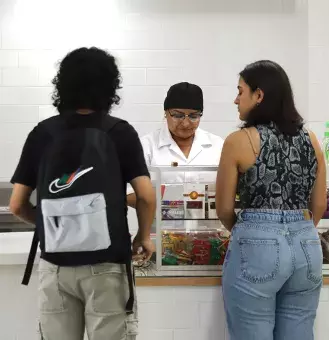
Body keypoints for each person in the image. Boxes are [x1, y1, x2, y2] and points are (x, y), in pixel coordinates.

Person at [9, 47, 156, 340]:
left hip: (56, 267)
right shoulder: (120, 132)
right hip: (108, 265)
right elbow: (146, 196)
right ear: (110, 86)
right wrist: (143, 236)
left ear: (62, 84)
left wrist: (52, 226)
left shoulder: (43, 133)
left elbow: (16, 205)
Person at [216, 60, 326, 340]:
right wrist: (296, 227)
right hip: (306, 244)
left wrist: (253, 230)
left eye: (240, 91)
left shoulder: (238, 141)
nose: (235, 99)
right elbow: (319, 206)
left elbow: (225, 208)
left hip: (256, 244)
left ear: (259, 95)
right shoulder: (311, 140)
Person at [127, 82, 224, 207]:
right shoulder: (145, 146)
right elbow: (129, 193)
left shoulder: (218, 145)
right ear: (166, 113)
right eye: (178, 115)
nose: (186, 124)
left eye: (194, 116)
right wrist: (174, 202)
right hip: (161, 225)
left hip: (209, 225)